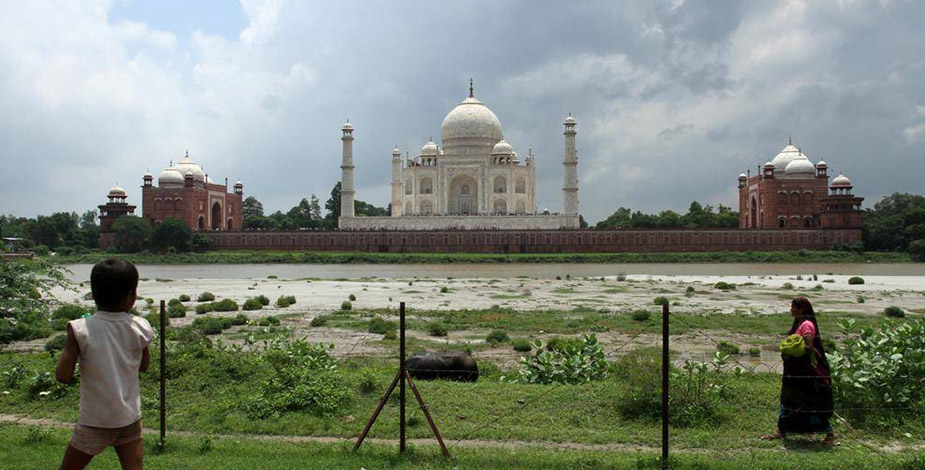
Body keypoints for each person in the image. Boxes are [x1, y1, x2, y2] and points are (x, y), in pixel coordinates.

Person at [55, 258, 154, 470]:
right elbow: (144, 366)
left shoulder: (79, 328)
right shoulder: (140, 326)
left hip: (95, 421)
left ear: (93, 294)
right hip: (128, 418)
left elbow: (63, 375)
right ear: (132, 297)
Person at [762, 297, 835, 446]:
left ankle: (829, 434)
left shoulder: (807, 325)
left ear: (801, 309)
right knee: (789, 400)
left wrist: (790, 350)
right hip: (795, 372)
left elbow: (808, 346)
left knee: (809, 403)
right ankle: (781, 430)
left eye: (793, 307)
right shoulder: (799, 323)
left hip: (805, 373)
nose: (791, 310)